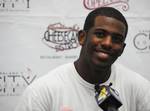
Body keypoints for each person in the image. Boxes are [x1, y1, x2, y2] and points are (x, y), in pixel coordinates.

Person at [15, 7, 150, 111]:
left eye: (116, 39)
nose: (107, 43)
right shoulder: (41, 93)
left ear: (122, 48)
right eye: (100, 34)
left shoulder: (141, 89)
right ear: (82, 37)